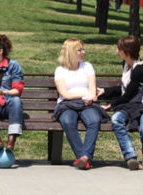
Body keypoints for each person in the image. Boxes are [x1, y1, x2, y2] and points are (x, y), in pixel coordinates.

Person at [97, 36, 143, 170]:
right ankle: (131, 157)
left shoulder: (140, 70)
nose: (116, 51)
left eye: (119, 49)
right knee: (116, 119)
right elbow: (125, 88)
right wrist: (104, 91)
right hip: (131, 105)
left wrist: (110, 105)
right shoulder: (126, 65)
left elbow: (128, 95)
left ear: (127, 51)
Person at [53, 38, 102, 170]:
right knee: (68, 122)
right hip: (67, 104)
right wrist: (83, 95)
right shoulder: (60, 70)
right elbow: (65, 94)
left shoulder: (87, 66)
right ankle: (84, 157)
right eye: (79, 50)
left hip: (87, 103)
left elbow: (92, 88)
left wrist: (91, 96)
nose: (83, 52)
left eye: (83, 49)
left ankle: (83, 158)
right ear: (71, 52)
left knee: (94, 120)